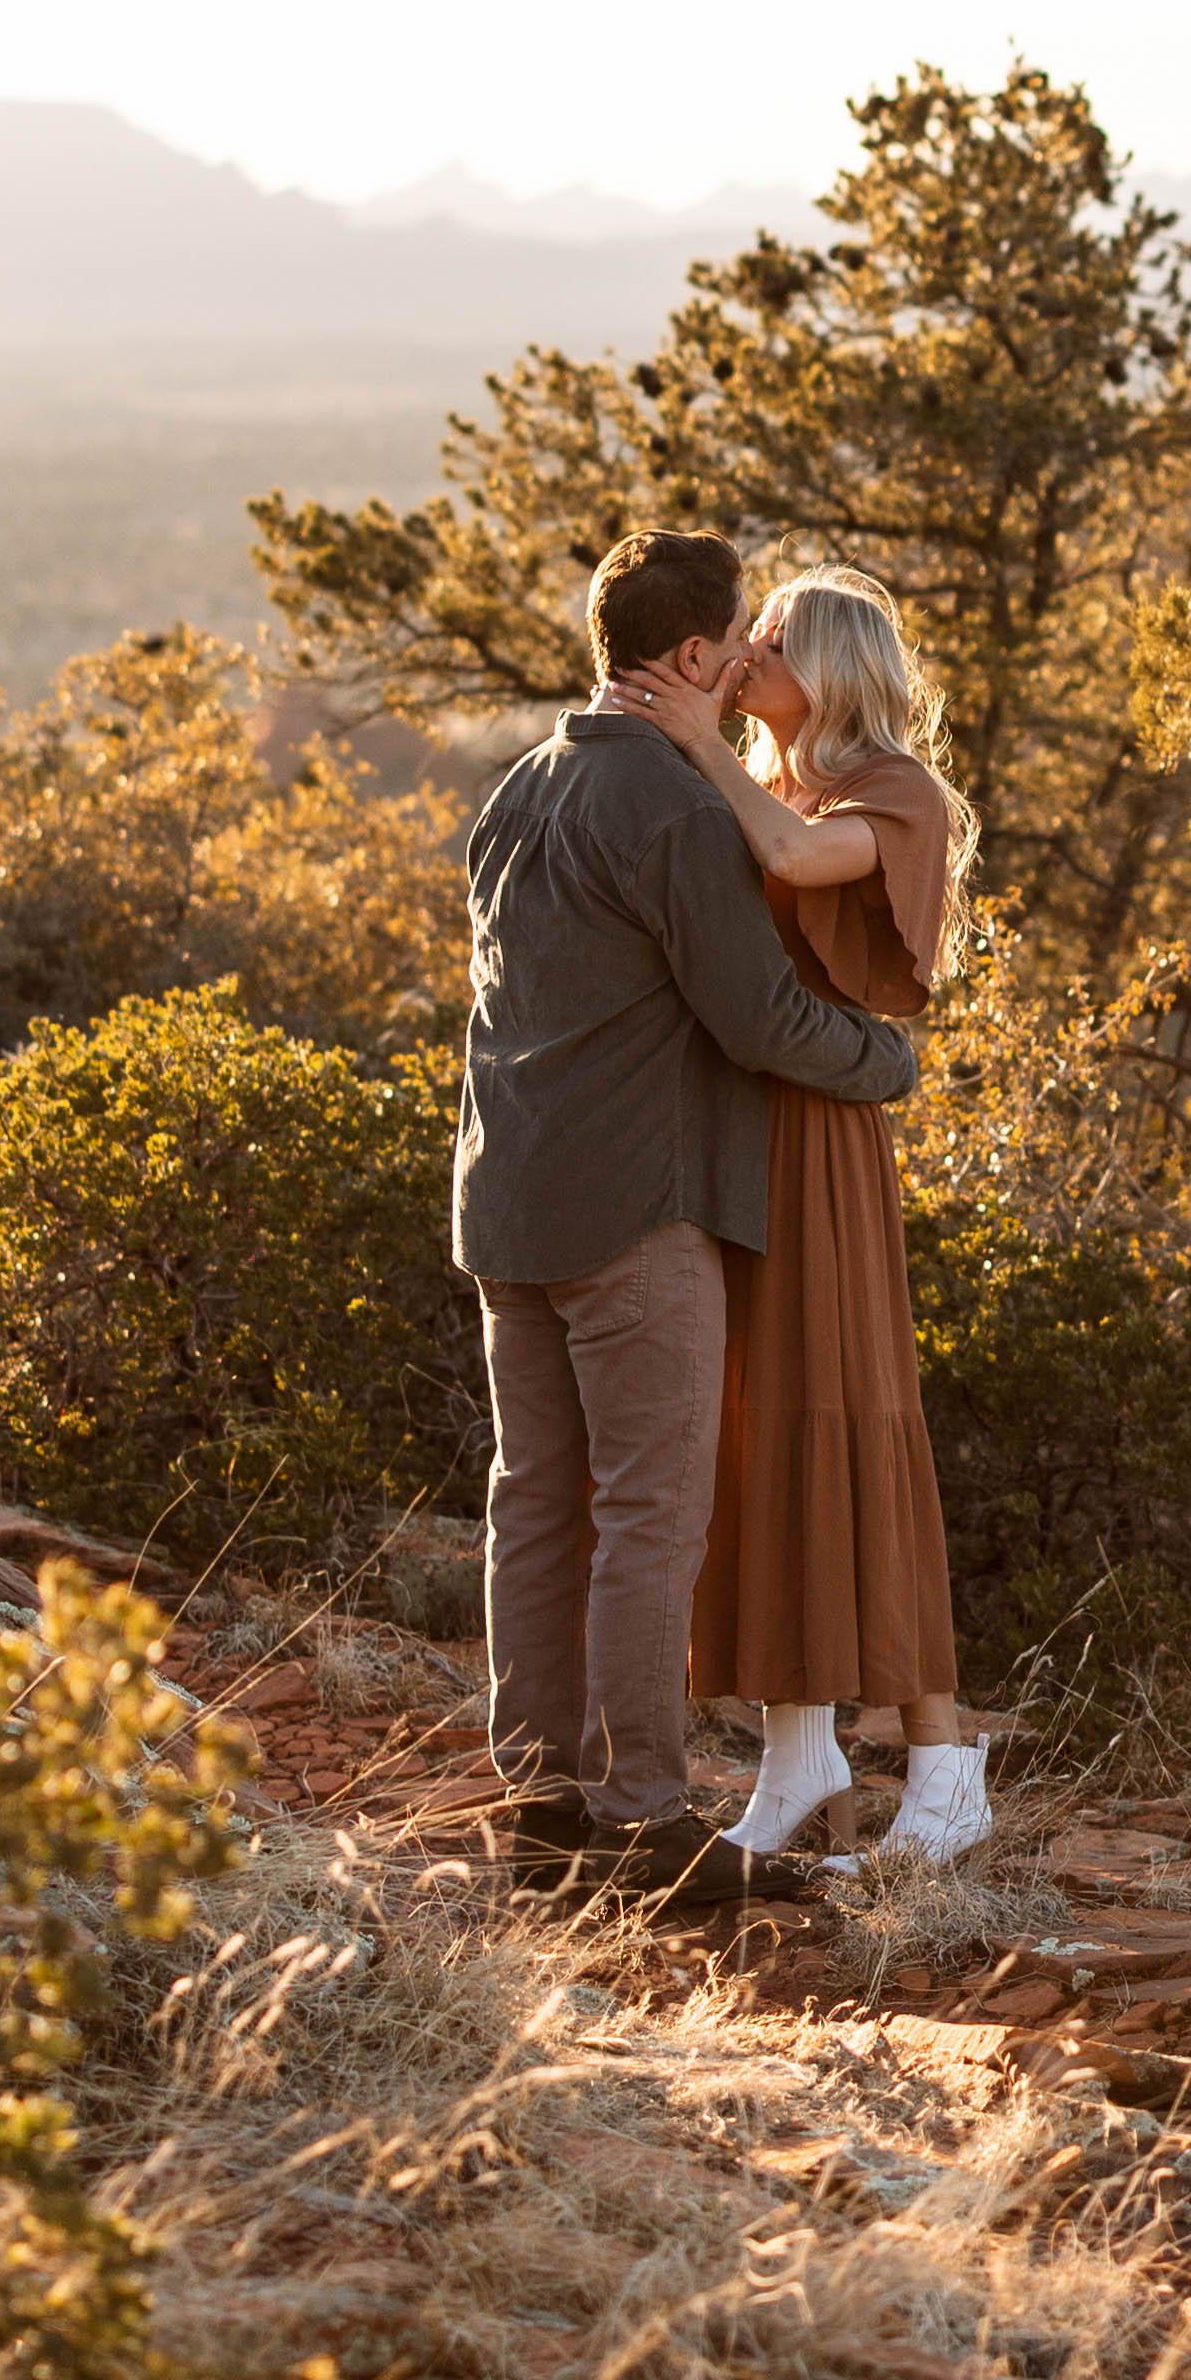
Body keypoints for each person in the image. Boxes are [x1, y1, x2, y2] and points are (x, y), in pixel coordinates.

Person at [451, 527, 923, 1911]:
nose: (753, 660)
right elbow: (758, 1017)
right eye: (743, 641)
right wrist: (885, 1059)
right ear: (699, 652)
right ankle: (644, 1818)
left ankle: (541, 1805)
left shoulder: (520, 787)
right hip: (636, 1209)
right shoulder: (670, 806)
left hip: (505, 1199)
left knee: (535, 1508)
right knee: (647, 1516)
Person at [599, 564, 988, 1863]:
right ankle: (798, 1757)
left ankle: (946, 1765)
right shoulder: (776, 781)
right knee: (761, 1426)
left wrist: (697, 738)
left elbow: (795, 860)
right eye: (744, 638)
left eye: (769, 642)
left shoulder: (893, 791)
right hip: (740, 1130)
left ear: (826, 665)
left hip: (821, 1132)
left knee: (849, 1414)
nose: (745, 656)